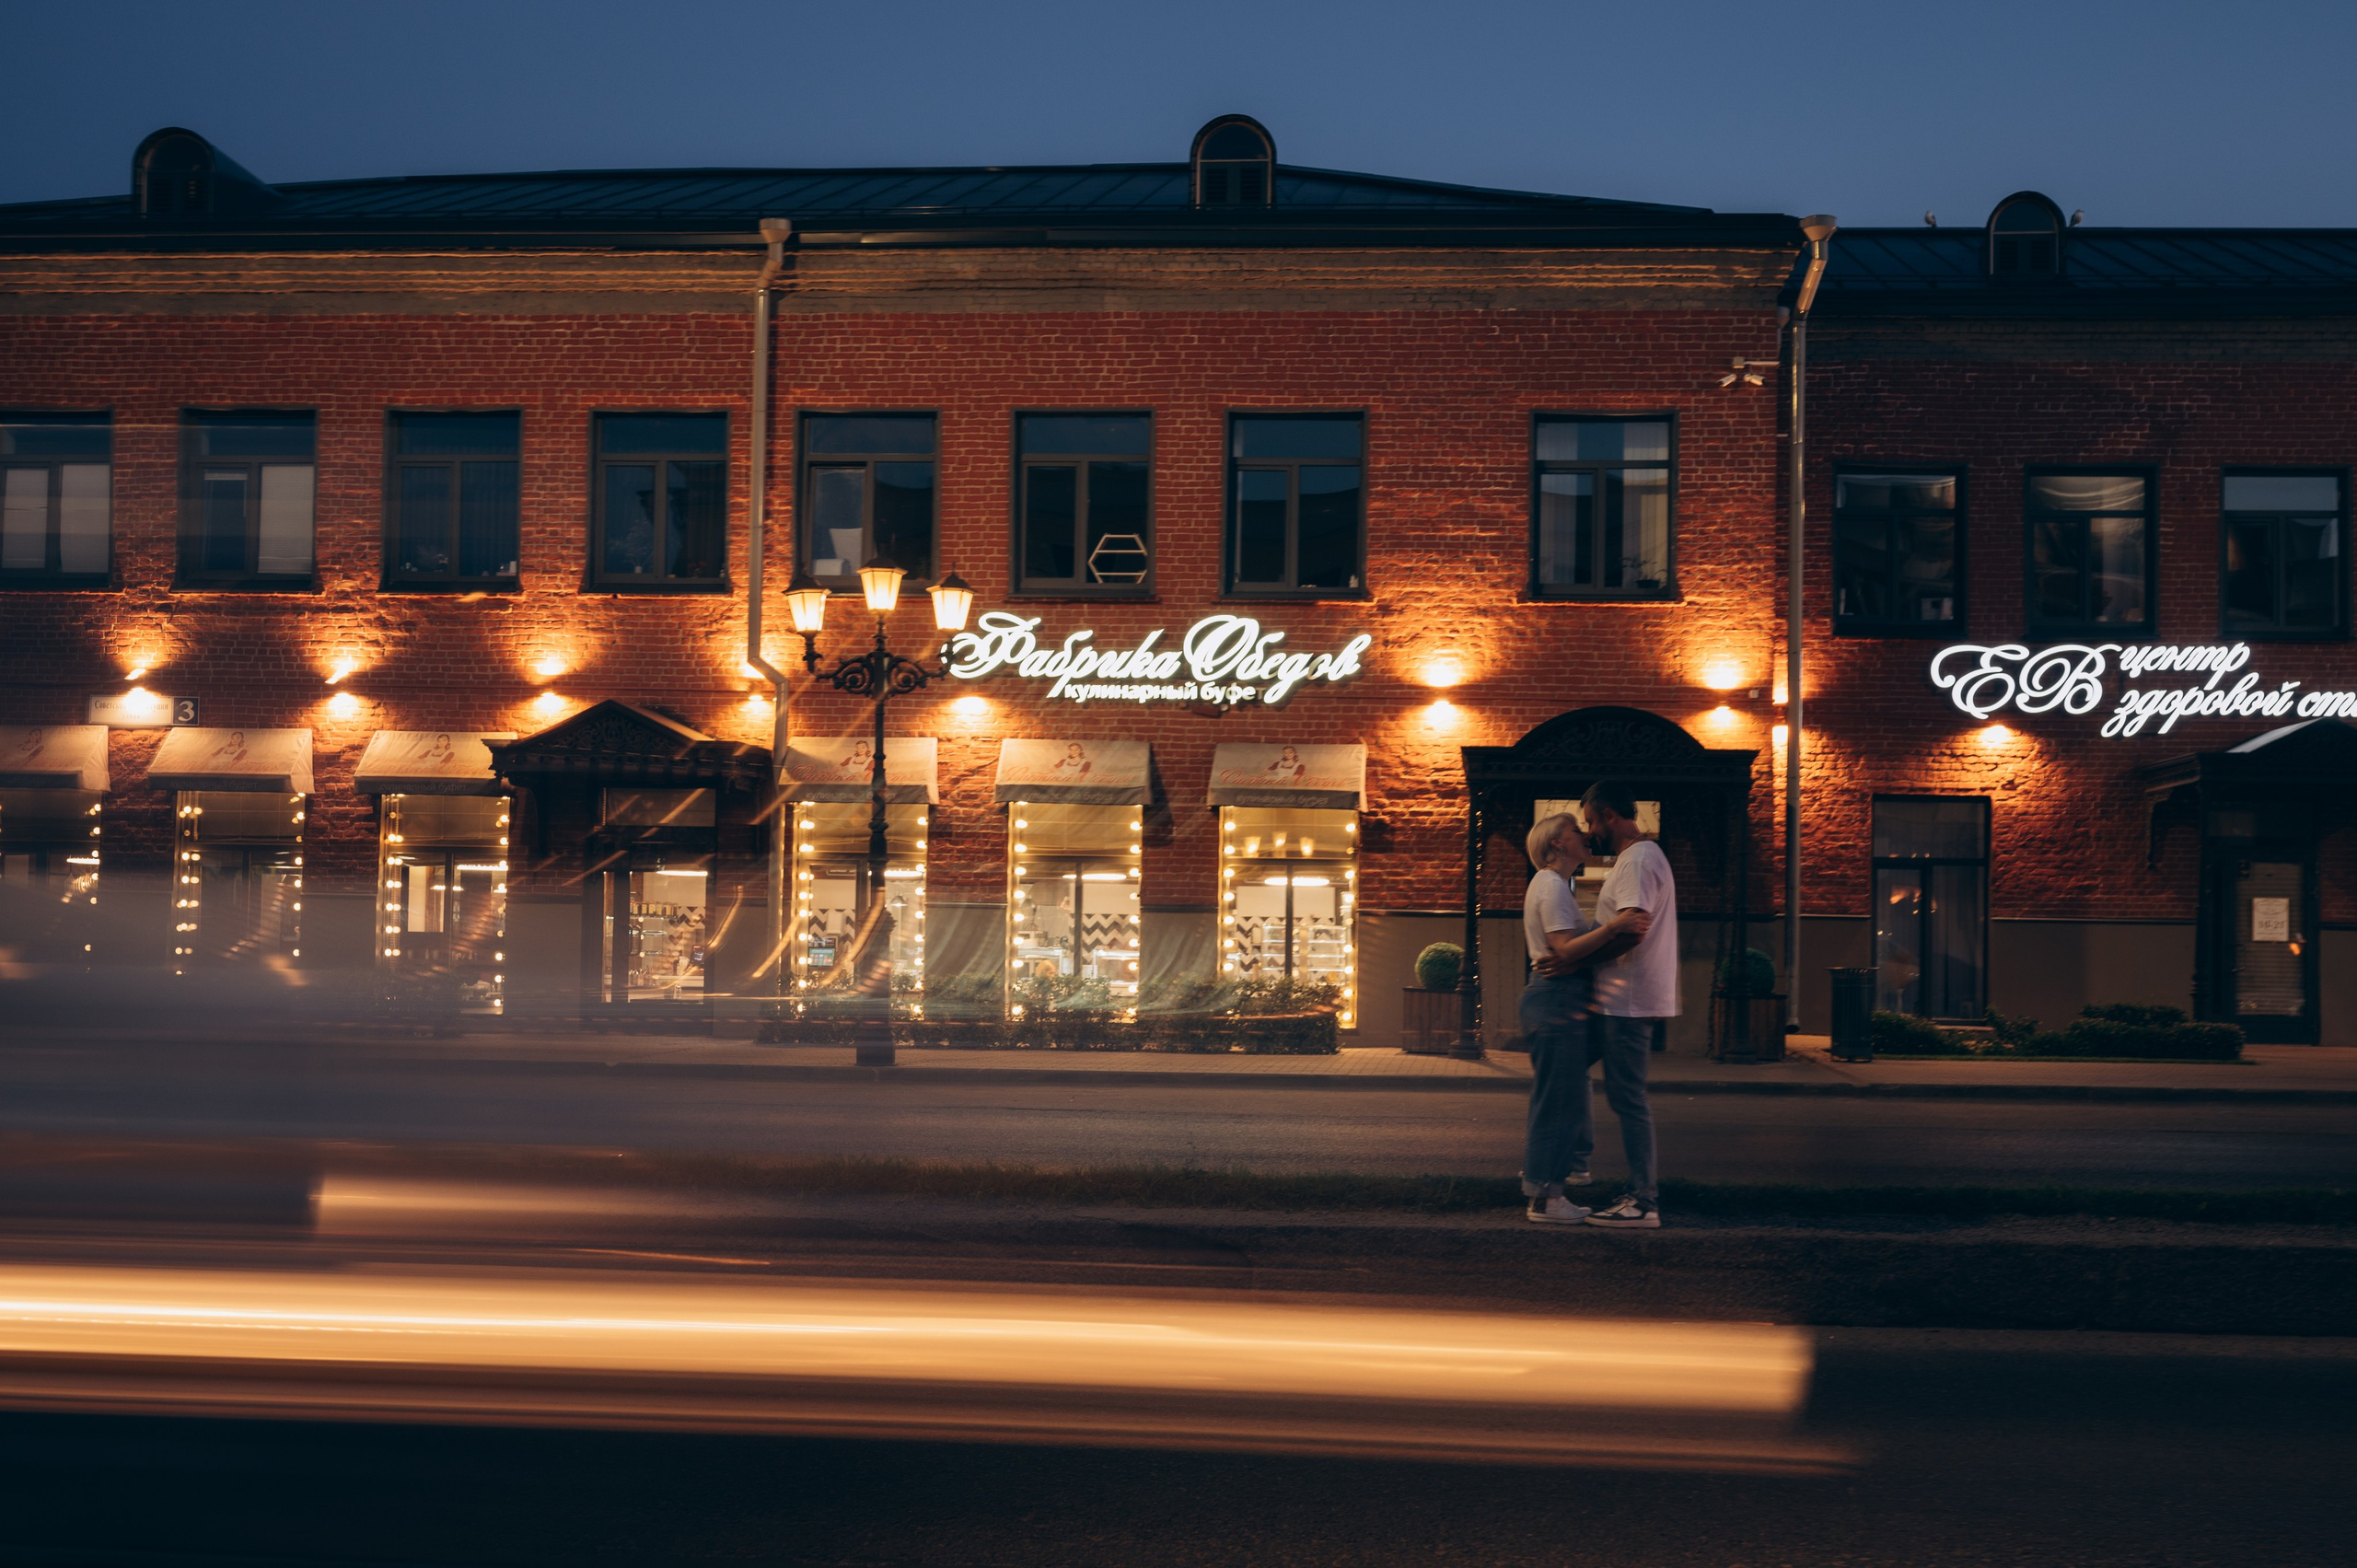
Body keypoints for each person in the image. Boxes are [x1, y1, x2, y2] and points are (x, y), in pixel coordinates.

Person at [1518, 810, 1652, 1225]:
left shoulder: (1554, 884)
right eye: (1576, 831)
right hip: (1557, 1001)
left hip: (1559, 999)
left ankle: (1567, 1171)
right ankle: (1545, 1199)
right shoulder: (1551, 886)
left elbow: (1566, 953)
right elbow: (1564, 948)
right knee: (1558, 1100)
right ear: (1557, 843)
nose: (1584, 836)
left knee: (1565, 1094)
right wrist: (1616, 927)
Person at [1575, 778, 1678, 1228]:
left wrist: (1578, 961)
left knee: (1628, 1098)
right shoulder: (1635, 859)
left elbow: (1634, 927)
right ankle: (1574, 1166)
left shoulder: (1637, 860)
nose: (1590, 830)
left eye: (1591, 821)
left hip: (1629, 1003)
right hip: (1618, 1001)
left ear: (1610, 817)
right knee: (1569, 1066)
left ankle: (1643, 1201)